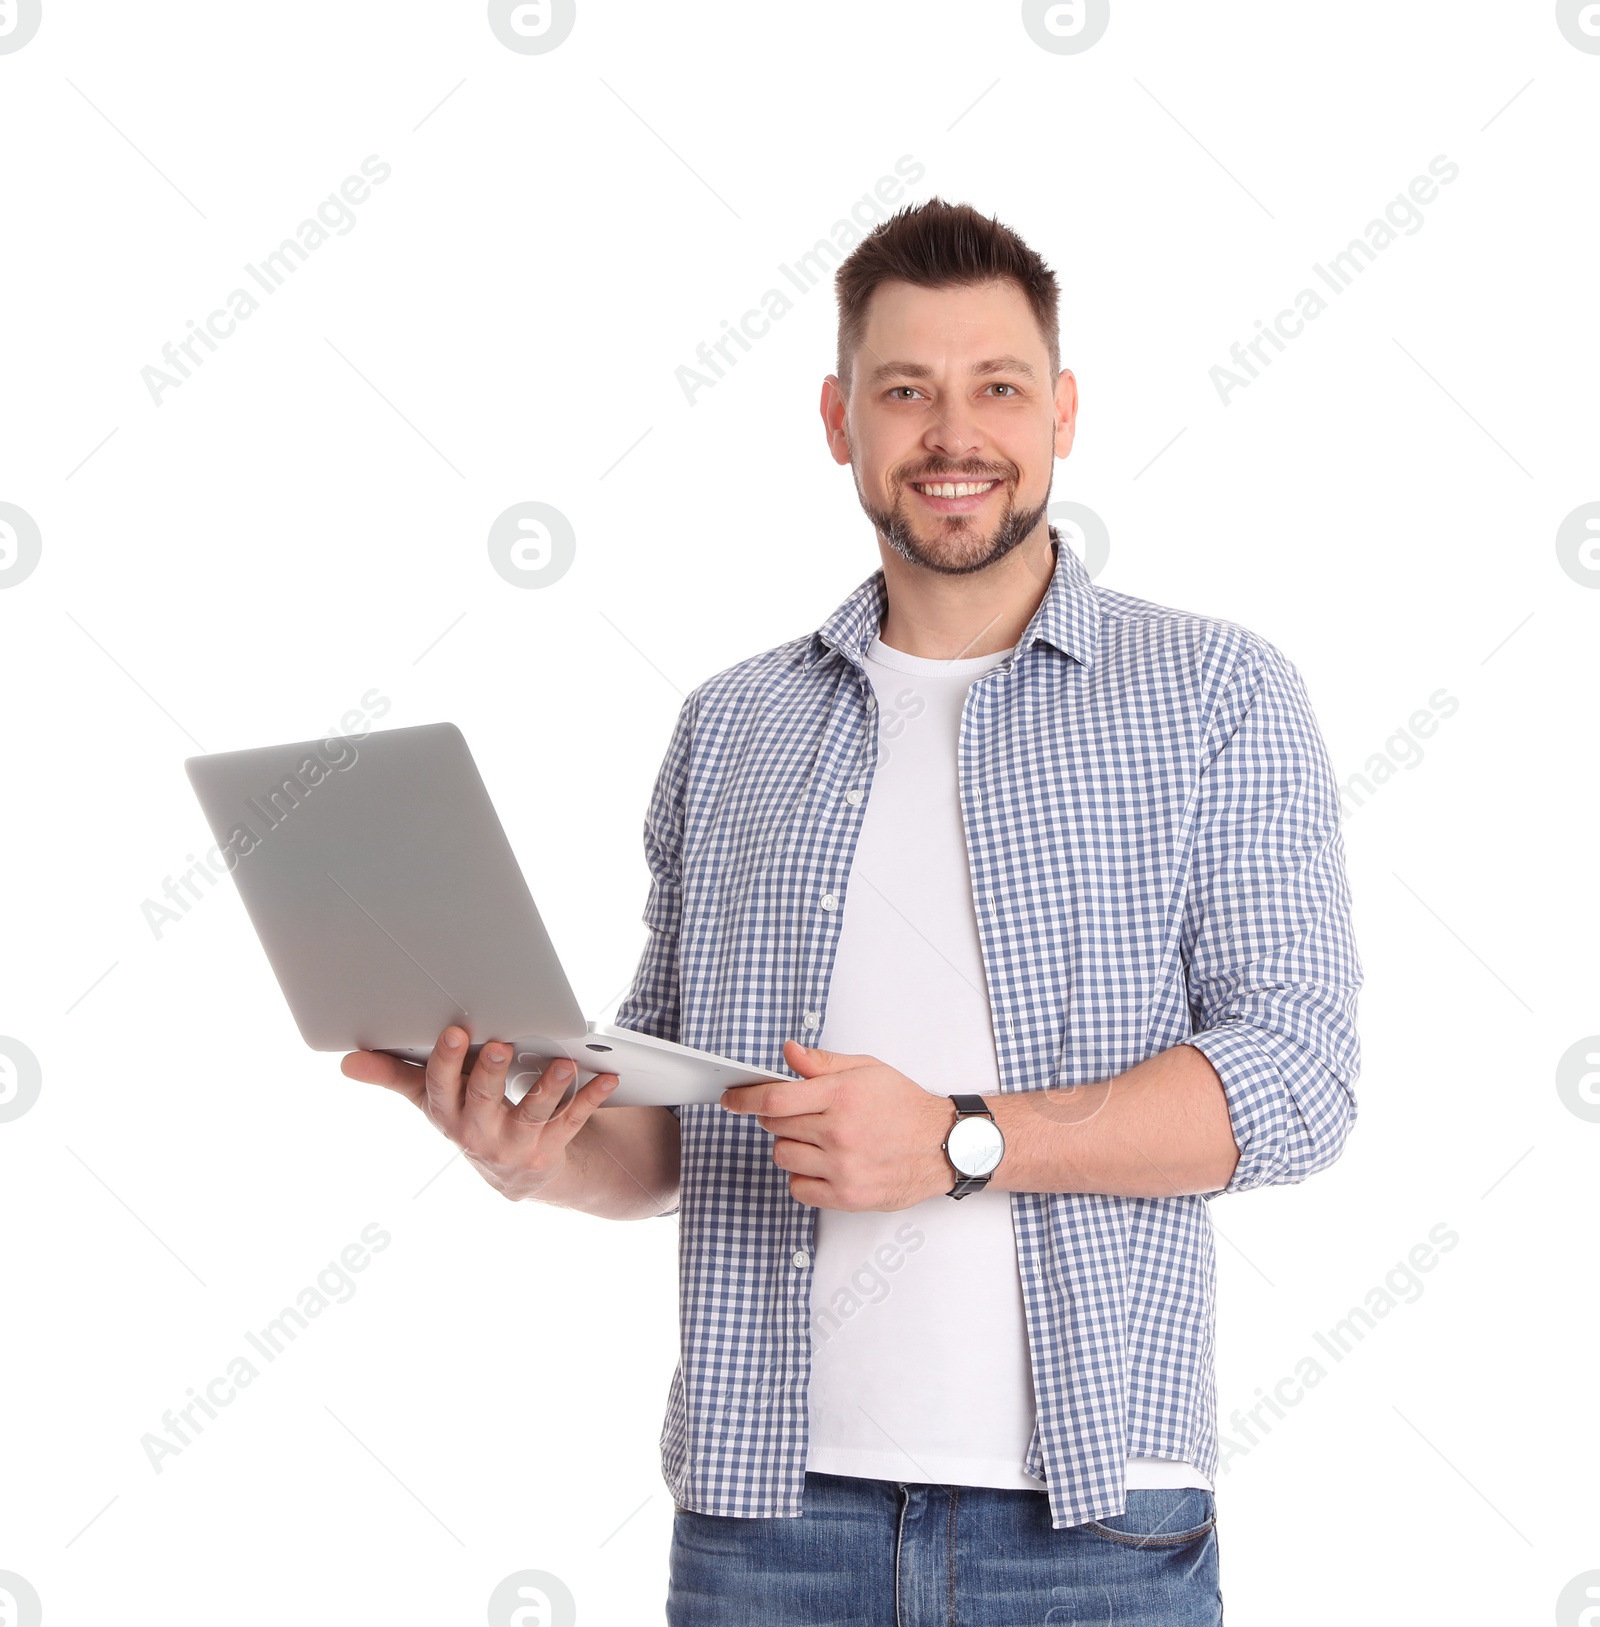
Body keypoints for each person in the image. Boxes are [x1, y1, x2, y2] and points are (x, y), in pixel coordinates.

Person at [343, 197, 1361, 1626]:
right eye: (907, 392)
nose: (955, 435)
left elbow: (1296, 1082)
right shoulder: (734, 725)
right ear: (840, 419)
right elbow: (664, 1133)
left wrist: (957, 1139)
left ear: (1063, 411)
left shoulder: (1214, 697)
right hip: (767, 1526)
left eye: (998, 387)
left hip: (1091, 1525)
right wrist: (532, 1153)